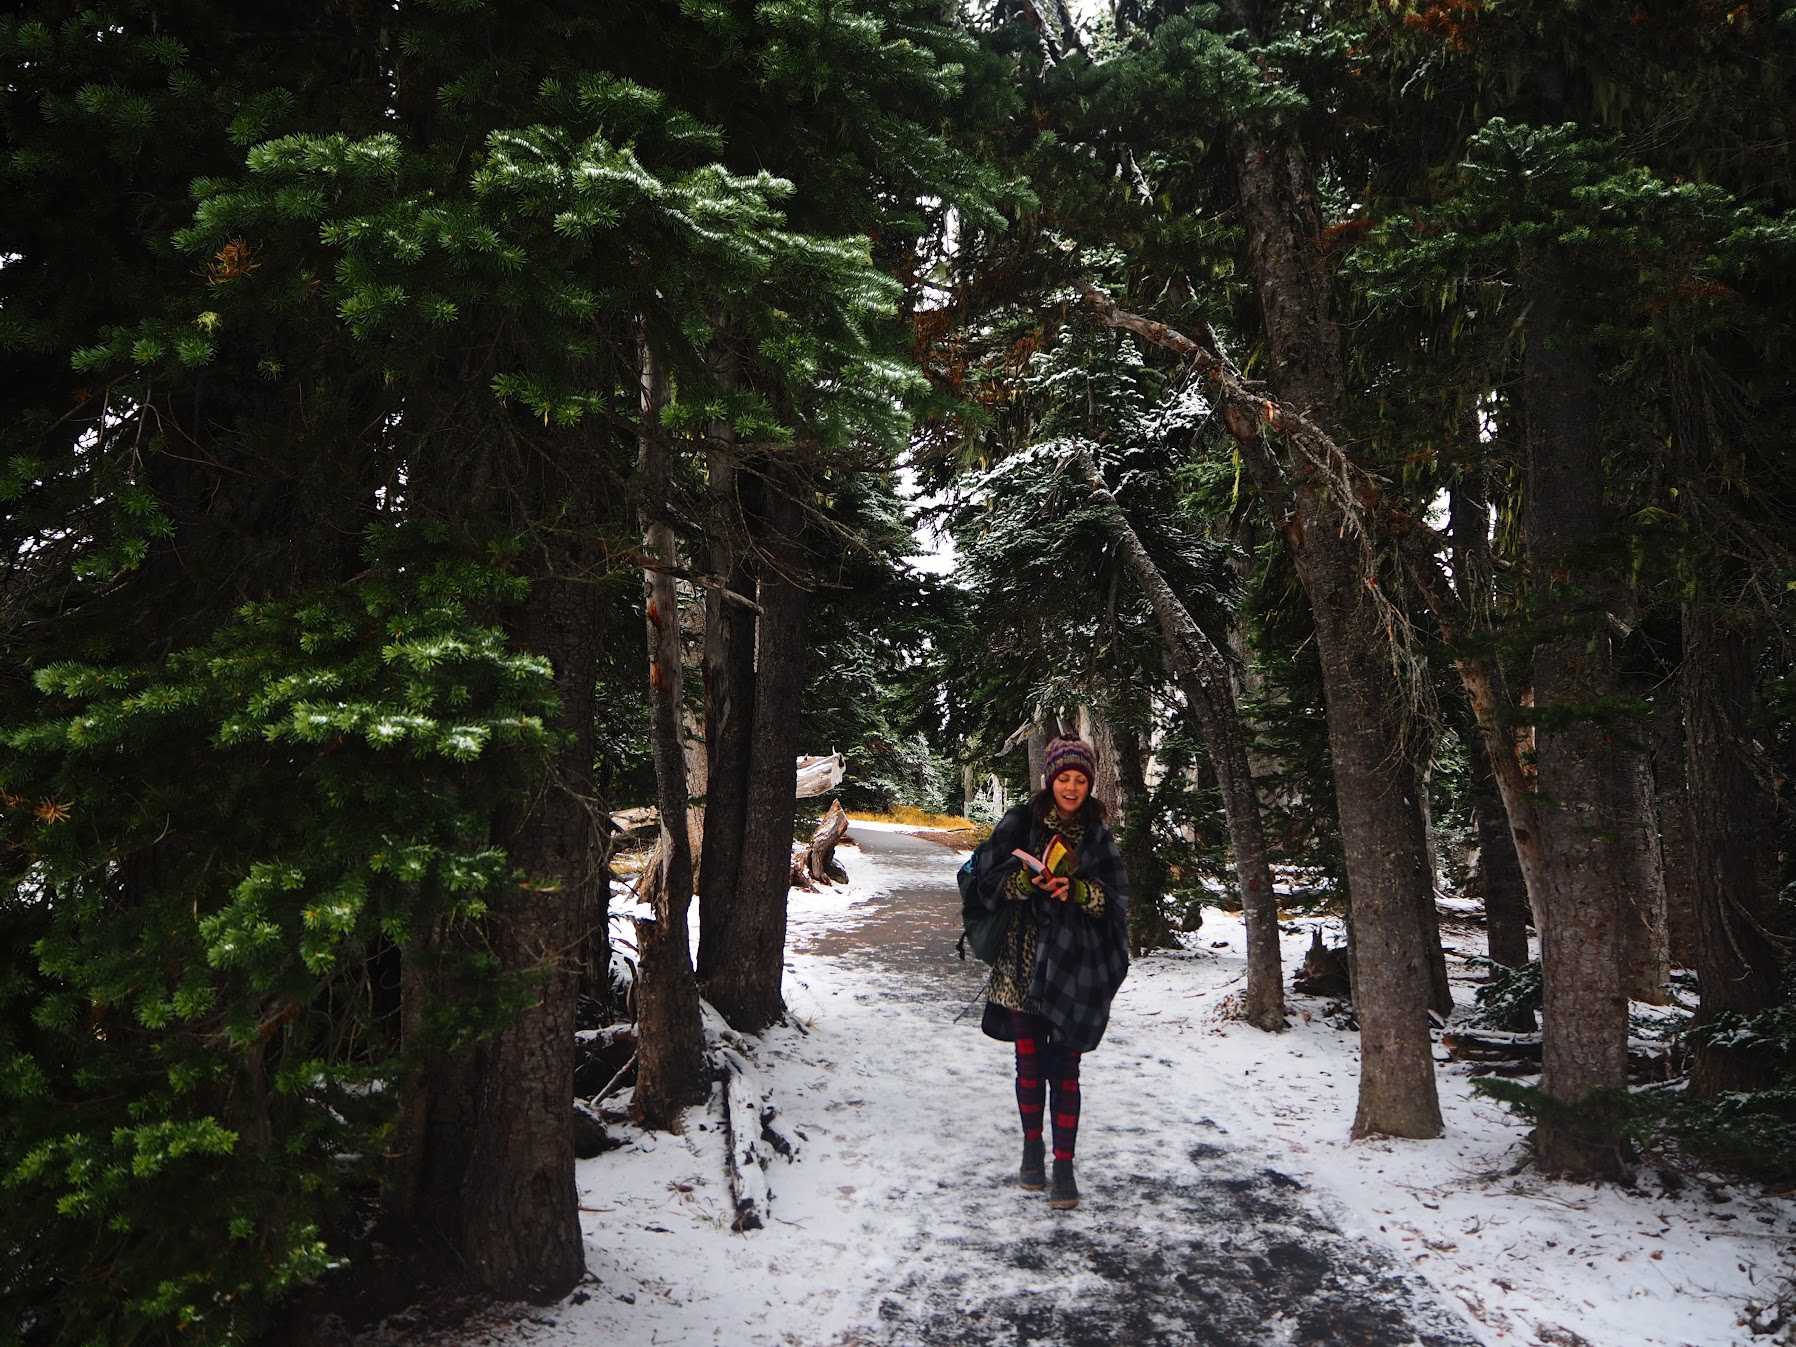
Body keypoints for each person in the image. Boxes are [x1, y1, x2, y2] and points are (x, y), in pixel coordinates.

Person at [967, 734, 1130, 1211]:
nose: (1073, 788)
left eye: (1081, 780)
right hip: (1019, 969)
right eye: (1065, 778)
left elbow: (1117, 903)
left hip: (1073, 971)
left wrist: (1077, 892)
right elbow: (985, 885)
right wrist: (1025, 882)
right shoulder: (1019, 823)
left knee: (1067, 1071)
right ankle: (1031, 1149)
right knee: (1030, 1066)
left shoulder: (1098, 836)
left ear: (1090, 784)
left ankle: (1063, 1165)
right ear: (1050, 779)